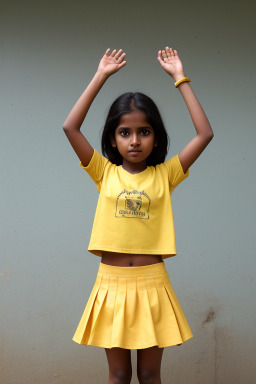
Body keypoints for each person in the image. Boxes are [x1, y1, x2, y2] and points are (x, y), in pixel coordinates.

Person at [63, 46, 214, 384]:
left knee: (149, 375)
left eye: (144, 132)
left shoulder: (166, 174)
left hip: (152, 285)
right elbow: (70, 127)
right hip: (111, 285)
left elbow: (205, 134)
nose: (134, 140)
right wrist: (100, 75)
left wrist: (180, 78)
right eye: (124, 132)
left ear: (155, 137)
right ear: (113, 139)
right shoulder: (103, 172)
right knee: (118, 376)